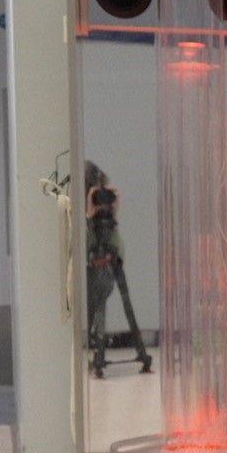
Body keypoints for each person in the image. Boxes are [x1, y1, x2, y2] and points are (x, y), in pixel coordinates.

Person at [84, 161, 152, 377]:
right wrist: (90, 205)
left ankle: (102, 358)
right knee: (99, 304)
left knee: (122, 303)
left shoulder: (110, 224)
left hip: (111, 256)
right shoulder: (87, 217)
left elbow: (115, 218)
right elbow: (88, 223)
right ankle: (100, 354)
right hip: (97, 258)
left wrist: (111, 201)